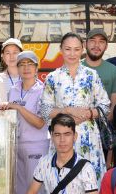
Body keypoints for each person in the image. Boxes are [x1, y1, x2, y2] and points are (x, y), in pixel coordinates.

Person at [39, 33, 111, 178]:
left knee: (90, 181)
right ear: (61, 49)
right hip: (61, 138)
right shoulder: (52, 77)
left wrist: (88, 114)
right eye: (68, 49)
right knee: (62, 181)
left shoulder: (92, 75)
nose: (72, 54)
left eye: (76, 49)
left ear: (82, 49)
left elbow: (105, 106)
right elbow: (45, 110)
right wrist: (67, 111)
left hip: (88, 138)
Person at [0, 51, 48, 194]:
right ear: (17, 68)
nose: (26, 68)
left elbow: (40, 122)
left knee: (35, 188)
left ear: (36, 67)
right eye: (22, 64)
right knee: (19, 189)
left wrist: (17, 107)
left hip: (36, 145)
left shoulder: (43, 91)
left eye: (30, 64)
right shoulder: (13, 89)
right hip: (15, 145)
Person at [83, 29, 116, 107]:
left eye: (101, 42)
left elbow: (113, 108)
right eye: (92, 41)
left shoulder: (115, 72)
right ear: (85, 44)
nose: (96, 45)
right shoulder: (74, 69)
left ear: (106, 47)